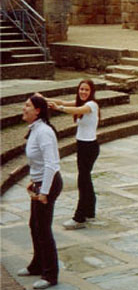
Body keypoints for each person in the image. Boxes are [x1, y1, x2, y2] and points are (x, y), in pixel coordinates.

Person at [18, 94, 63, 289]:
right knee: (34, 225)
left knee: (43, 229)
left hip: (49, 184)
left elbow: (51, 164)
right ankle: (37, 265)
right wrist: (33, 181)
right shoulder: (35, 129)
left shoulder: (44, 132)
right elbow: (37, 161)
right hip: (39, 182)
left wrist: (44, 191)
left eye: (27, 105)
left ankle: (50, 275)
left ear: (37, 110)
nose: (23, 108)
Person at [46, 79, 100, 229]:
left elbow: (76, 111)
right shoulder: (80, 102)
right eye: (81, 89)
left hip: (89, 147)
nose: (83, 92)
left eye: (86, 90)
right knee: (86, 179)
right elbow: (64, 101)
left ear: (91, 92)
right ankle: (89, 211)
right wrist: (44, 99)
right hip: (82, 146)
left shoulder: (91, 105)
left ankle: (79, 217)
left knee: (83, 181)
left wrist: (59, 108)